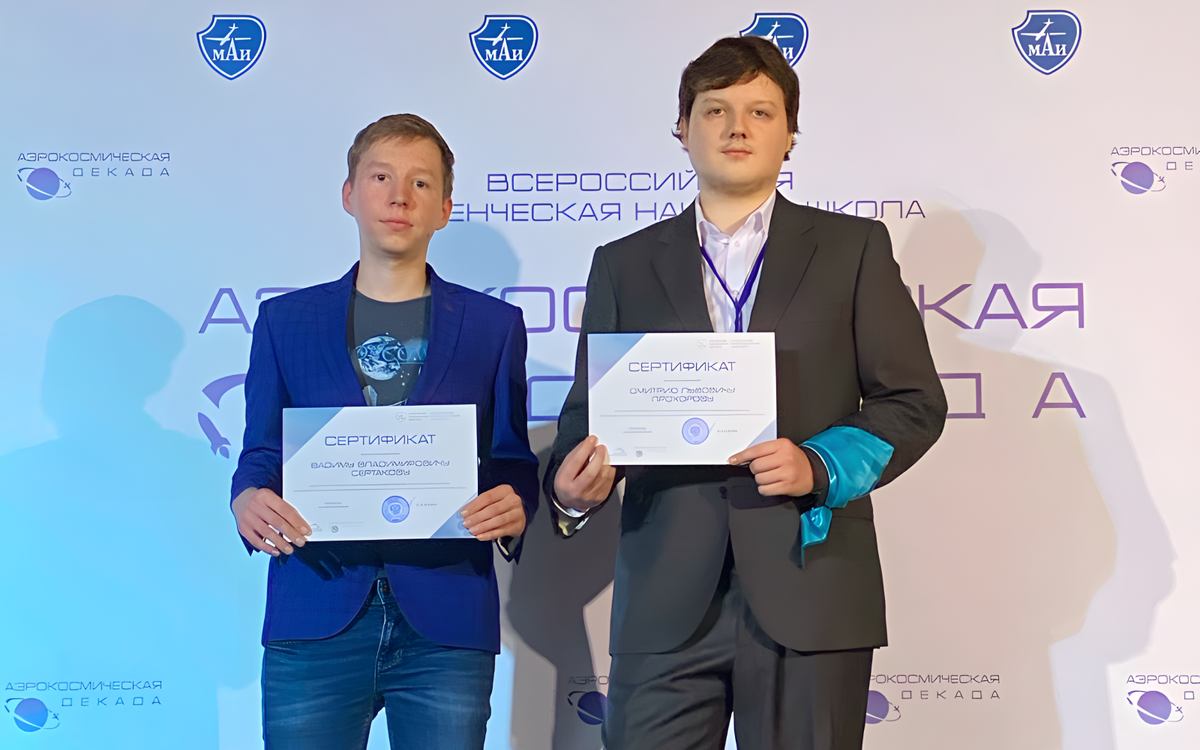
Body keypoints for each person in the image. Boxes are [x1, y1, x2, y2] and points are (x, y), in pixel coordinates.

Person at [545, 37, 947, 750]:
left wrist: (818, 464)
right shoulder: (623, 265)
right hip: (665, 599)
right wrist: (570, 493)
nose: (737, 127)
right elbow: (587, 419)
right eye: (715, 110)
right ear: (682, 129)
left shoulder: (853, 249)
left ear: (790, 135)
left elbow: (912, 401)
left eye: (760, 112)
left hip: (810, 583)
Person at [230, 114, 539, 750]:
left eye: (421, 183)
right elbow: (262, 451)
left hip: (447, 619)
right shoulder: (284, 322)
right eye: (381, 178)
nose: (400, 197)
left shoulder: (494, 326)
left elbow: (510, 460)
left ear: (444, 208)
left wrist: (517, 503)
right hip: (316, 604)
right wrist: (247, 497)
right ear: (349, 194)